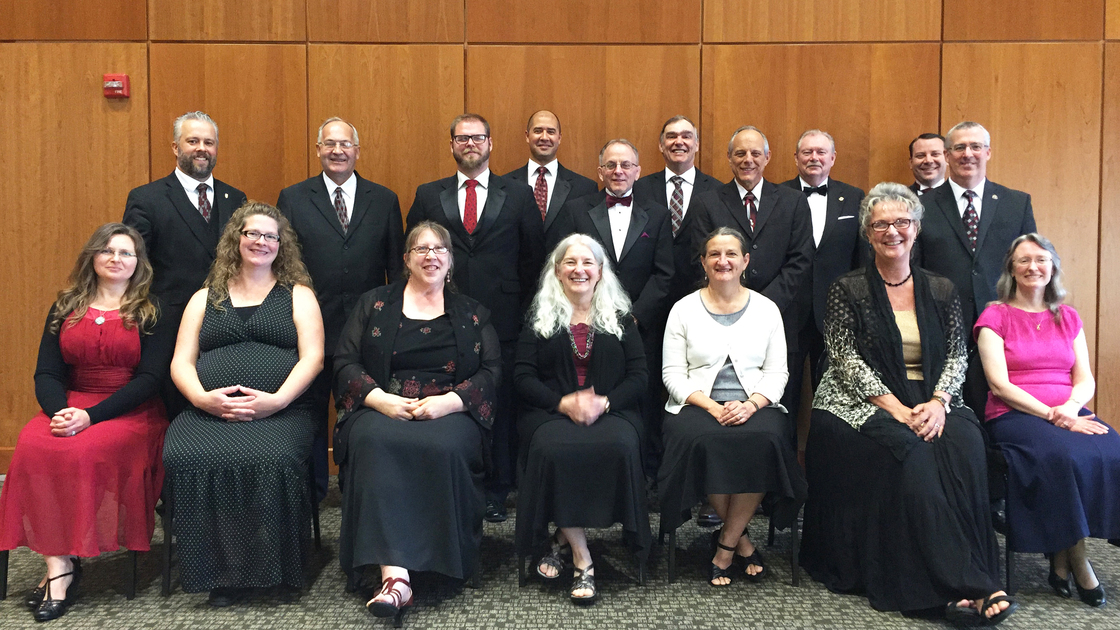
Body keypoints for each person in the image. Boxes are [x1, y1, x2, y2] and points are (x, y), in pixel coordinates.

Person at [801, 182, 1018, 624]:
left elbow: (959, 354)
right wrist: (898, 411)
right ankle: (964, 582)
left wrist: (939, 403)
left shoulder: (941, 288)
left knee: (963, 447)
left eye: (901, 222)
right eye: (880, 224)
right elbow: (844, 359)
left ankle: (964, 577)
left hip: (933, 396)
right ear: (867, 233)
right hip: (856, 400)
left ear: (916, 229)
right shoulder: (847, 288)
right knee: (913, 453)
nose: (892, 231)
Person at [0, 224, 174, 622]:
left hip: (129, 410)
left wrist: (90, 417)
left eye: (126, 253)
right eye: (108, 251)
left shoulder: (153, 309)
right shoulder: (65, 306)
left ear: (138, 263)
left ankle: (64, 566)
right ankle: (58, 564)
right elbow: (46, 372)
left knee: (83, 450)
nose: (117, 259)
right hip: (69, 405)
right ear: (92, 258)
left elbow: (150, 380)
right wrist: (60, 411)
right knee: (33, 445)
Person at [332, 221, 499, 623]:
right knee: (373, 442)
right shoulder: (374, 304)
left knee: (442, 445)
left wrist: (451, 403)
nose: (431, 256)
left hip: (449, 409)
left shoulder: (472, 313)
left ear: (450, 261)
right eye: (420, 249)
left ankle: (435, 560)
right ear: (406, 259)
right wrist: (380, 400)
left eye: (439, 249)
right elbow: (344, 362)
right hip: (384, 404)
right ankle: (395, 576)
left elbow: (492, 371)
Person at [162, 201, 324, 607]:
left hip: (282, 411)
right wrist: (202, 398)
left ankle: (275, 571)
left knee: (274, 457)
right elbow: (181, 360)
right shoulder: (205, 298)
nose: (262, 242)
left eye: (271, 236)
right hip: (208, 412)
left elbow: (314, 358)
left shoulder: (298, 294)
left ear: (281, 244)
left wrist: (277, 400)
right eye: (252, 233)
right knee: (188, 456)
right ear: (236, 239)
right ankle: (221, 571)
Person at [407, 113, 545, 523]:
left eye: (478, 137)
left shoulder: (517, 194)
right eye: (462, 138)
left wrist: (523, 315)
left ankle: (497, 489)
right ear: (451, 144)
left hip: (501, 317)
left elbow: (533, 258)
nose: (471, 143)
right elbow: (415, 253)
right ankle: (455, 482)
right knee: (448, 397)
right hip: (441, 314)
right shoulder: (429, 194)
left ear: (491, 143)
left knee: (497, 403)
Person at [976, 233, 1120, 607]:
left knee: (1111, 449)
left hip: (1067, 410)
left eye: (1040, 259)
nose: (1032, 267)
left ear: (1052, 266)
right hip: (1015, 414)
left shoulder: (1067, 316)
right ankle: (1079, 561)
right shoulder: (995, 316)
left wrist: (1072, 408)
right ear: (1011, 267)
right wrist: (1055, 417)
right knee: (1061, 456)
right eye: (1023, 260)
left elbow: (1084, 376)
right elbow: (999, 385)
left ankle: (1061, 555)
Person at [658, 227, 806, 587]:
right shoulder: (683, 309)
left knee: (765, 442)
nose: (723, 261)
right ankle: (740, 540)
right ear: (704, 263)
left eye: (731, 254)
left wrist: (752, 404)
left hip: (755, 404)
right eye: (714, 255)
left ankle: (724, 544)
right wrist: (711, 407)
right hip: (697, 405)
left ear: (745, 261)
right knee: (703, 442)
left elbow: (777, 372)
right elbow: (673, 374)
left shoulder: (767, 309)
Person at [514, 233, 650, 606]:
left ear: (601, 271)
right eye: (570, 262)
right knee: (553, 449)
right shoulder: (538, 317)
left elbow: (639, 376)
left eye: (588, 262)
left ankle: (559, 539)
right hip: (550, 413)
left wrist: (603, 403)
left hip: (613, 411)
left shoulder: (621, 318)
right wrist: (563, 403)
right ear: (557, 271)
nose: (579, 269)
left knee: (620, 444)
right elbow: (522, 377)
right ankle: (582, 557)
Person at [277, 116, 405, 501]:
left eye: (345, 144)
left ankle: (358, 488)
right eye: (329, 144)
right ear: (318, 150)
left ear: (357, 151)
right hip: (313, 325)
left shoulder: (383, 199)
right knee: (312, 414)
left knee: (361, 412)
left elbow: (396, 269)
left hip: (369, 330)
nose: (337, 151)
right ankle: (314, 491)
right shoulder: (294, 198)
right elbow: (284, 263)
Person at [124, 111, 248, 418]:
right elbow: (133, 264)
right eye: (192, 141)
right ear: (176, 147)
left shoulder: (237, 198)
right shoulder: (147, 198)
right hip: (169, 323)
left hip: (227, 322)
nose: (201, 148)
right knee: (177, 410)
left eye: (209, 142)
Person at [567, 139, 674, 481]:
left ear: (638, 171)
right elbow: (567, 267)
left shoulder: (657, 213)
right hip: (587, 322)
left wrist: (635, 317)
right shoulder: (576, 210)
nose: (618, 171)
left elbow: (664, 273)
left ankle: (639, 476)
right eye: (611, 165)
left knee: (637, 397)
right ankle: (591, 475)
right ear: (600, 171)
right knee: (591, 392)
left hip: (638, 325)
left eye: (626, 165)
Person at [915, 121, 1036, 413]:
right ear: (947, 155)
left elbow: (1031, 266)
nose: (967, 154)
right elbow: (912, 267)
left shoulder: (1016, 203)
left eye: (976, 146)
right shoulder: (920, 206)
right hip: (939, 324)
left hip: (1002, 324)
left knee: (997, 407)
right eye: (959, 147)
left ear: (988, 152)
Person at [691, 126, 814, 374]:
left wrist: (762, 305)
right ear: (729, 158)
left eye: (756, 153)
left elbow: (800, 260)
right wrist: (736, 304)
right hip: (721, 319)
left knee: (780, 402)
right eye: (740, 153)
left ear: (767, 157)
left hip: (780, 318)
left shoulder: (794, 201)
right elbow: (703, 258)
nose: (748, 160)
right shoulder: (707, 202)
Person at [780, 129, 867, 430]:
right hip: (788, 312)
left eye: (821, 152)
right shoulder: (778, 195)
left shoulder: (854, 197)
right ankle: (786, 468)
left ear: (832, 158)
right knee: (783, 398)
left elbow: (862, 259)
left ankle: (823, 468)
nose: (814, 158)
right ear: (796, 158)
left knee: (833, 399)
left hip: (837, 314)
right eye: (807, 152)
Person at [633, 115, 723, 306]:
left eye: (686, 136)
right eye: (671, 136)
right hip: (648, 298)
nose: (678, 142)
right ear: (661, 145)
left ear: (696, 144)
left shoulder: (718, 191)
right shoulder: (640, 189)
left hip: (700, 296)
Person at [502, 110, 598, 250]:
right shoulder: (505, 185)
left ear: (559, 137)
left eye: (551, 132)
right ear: (527, 136)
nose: (544, 137)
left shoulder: (585, 188)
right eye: (538, 130)